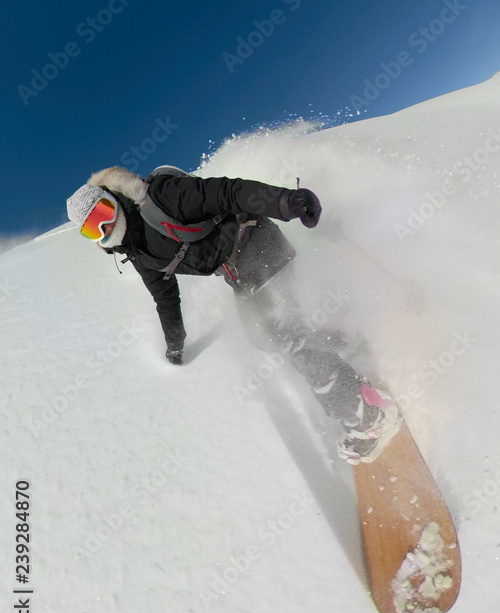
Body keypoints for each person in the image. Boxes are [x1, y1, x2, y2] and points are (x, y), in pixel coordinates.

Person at [66, 165, 399, 463]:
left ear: (115, 199)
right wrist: (175, 344)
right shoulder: (139, 254)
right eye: (93, 228)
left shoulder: (162, 197)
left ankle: (367, 417)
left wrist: (285, 202)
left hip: (259, 244)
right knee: (261, 337)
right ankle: (343, 340)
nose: (106, 227)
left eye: (104, 213)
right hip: (239, 272)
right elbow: (164, 298)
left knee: (289, 337)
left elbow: (228, 192)